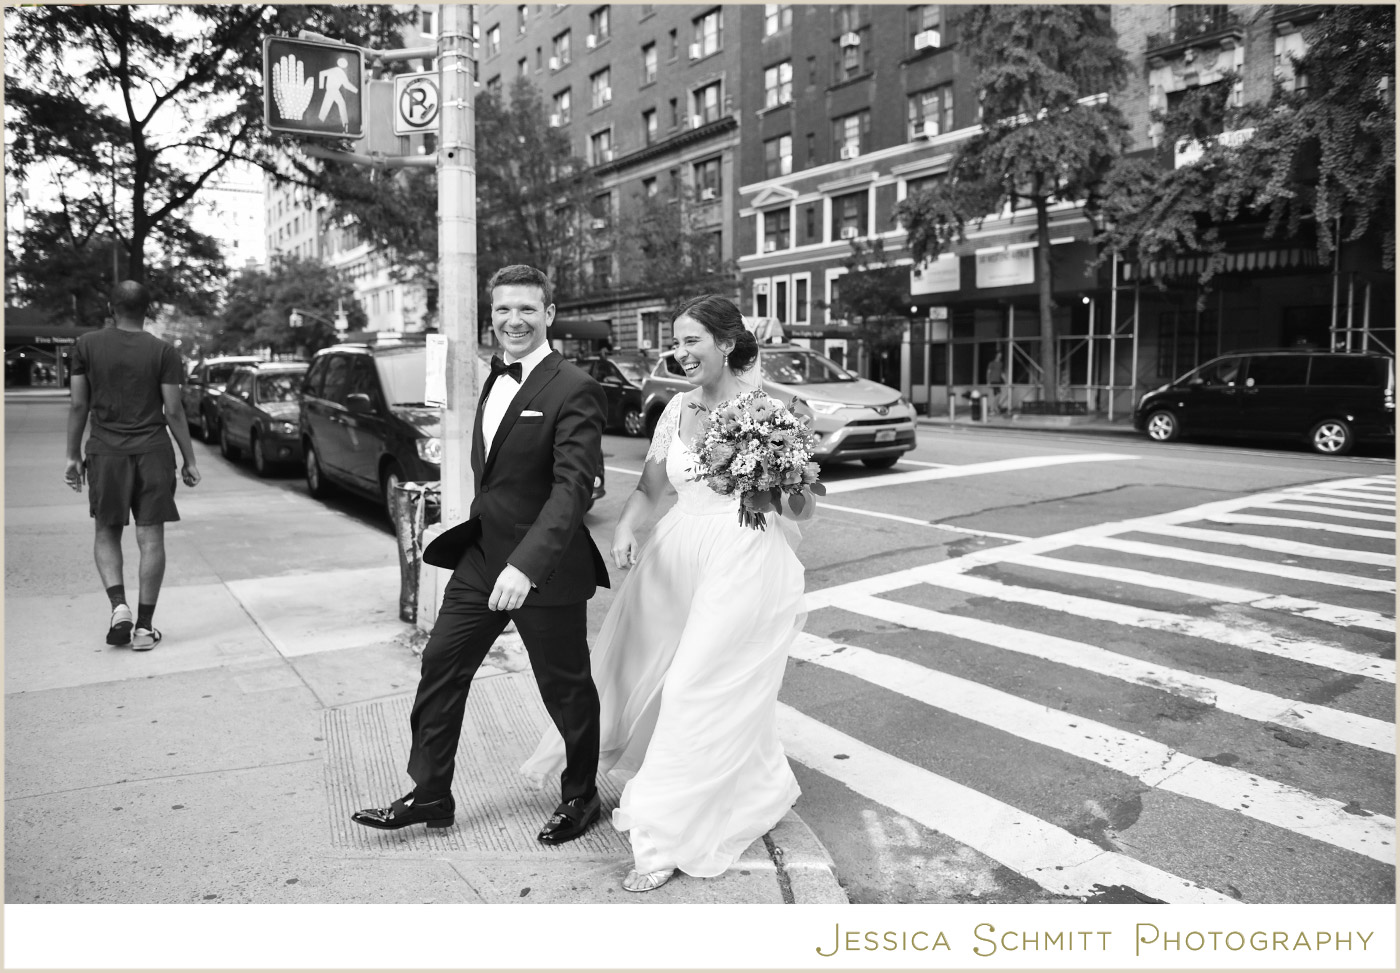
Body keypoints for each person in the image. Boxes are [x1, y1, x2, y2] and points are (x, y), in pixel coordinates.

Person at [521, 294, 816, 893]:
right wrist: (628, 525)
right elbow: (652, 491)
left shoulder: (771, 411)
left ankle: (663, 832)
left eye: (691, 342)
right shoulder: (673, 410)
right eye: (675, 342)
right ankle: (759, 784)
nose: (679, 354)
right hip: (678, 555)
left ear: (727, 344)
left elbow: (802, 507)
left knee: (691, 685)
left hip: (741, 556)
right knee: (654, 672)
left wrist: (782, 472)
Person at [353, 264, 611, 845]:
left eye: (525, 309)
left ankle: (581, 795)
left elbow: (572, 488)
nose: (513, 320)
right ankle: (431, 794)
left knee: (564, 687)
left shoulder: (573, 386)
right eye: (501, 310)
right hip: (482, 557)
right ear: (489, 317)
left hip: (542, 567)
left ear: (548, 314)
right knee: (441, 664)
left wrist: (526, 564)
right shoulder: (493, 379)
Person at [64, 280, 200, 651]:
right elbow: (173, 410)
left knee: (107, 531)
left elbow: (78, 405)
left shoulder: (85, 346)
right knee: (150, 536)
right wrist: (189, 459)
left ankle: (118, 605)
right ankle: (143, 627)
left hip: (105, 452)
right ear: (148, 310)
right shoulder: (164, 351)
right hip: (153, 452)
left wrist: (72, 455)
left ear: (111, 307)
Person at [986, 350, 1008, 415]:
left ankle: (995, 408)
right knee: (998, 394)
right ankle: (992, 408)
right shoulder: (991, 363)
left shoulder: (1000, 364)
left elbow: (1002, 373)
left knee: (997, 395)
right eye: (999, 355)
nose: (1000, 356)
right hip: (993, 380)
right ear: (996, 355)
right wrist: (988, 381)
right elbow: (988, 372)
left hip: (998, 381)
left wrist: (1006, 381)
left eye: (1000, 355)